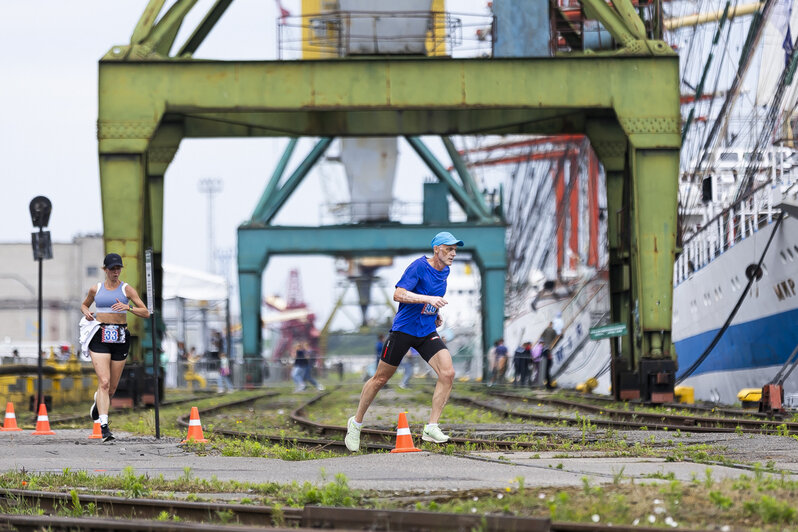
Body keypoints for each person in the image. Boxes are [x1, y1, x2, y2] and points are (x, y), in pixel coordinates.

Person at [345, 231, 462, 451]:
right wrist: (428, 299)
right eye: (449, 249)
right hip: (404, 330)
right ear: (436, 249)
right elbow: (399, 294)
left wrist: (434, 313)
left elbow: (428, 301)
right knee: (380, 379)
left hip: (426, 330)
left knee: (448, 373)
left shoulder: (445, 271)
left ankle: (431, 427)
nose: (453, 254)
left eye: (455, 250)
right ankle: (356, 422)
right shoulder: (418, 266)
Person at [80, 253, 149, 442]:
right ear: (105, 270)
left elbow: (146, 312)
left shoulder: (127, 290)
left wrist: (129, 308)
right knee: (104, 381)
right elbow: (84, 305)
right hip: (100, 337)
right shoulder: (96, 289)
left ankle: (98, 402)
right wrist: (87, 313)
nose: (116, 272)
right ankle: (104, 427)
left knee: (111, 388)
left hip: (120, 337)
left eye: (118, 268)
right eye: (112, 269)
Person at [540, 322, 559, 389]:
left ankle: (547, 385)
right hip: (550, 346)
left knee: (545, 374)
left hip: (547, 348)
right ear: (552, 325)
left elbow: (541, 335)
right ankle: (548, 385)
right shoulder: (553, 330)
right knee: (546, 373)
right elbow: (556, 337)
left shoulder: (545, 330)